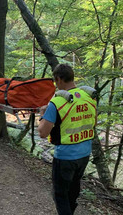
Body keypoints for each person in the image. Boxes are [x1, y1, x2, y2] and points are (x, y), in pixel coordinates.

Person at [38, 64, 97, 215]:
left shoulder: (57, 102)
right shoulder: (89, 97)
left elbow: (43, 133)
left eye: (55, 81)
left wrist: (42, 115)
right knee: (73, 191)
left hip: (65, 157)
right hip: (84, 154)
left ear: (58, 79)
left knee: (60, 196)